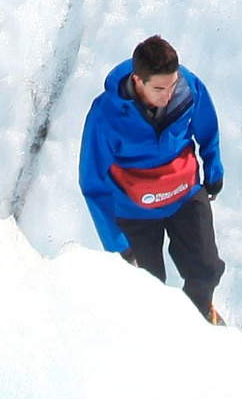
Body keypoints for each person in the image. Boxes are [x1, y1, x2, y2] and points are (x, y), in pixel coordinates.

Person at [78, 35, 225, 320]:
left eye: (172, 85)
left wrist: (213, 171)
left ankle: (200, 318)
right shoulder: (105, 115)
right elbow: (92, 181)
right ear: (137, 80)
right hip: (134, 211)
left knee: (206, 270)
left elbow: (207, 128)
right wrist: (117, 244)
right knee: (146, 289)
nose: (168, 96)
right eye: (159, 89)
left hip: (184, 194)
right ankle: (159, 336)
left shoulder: (189, 87)